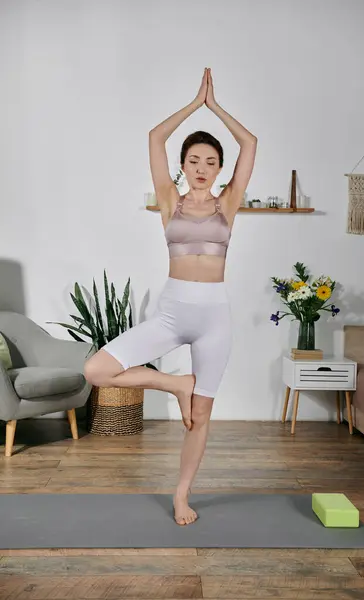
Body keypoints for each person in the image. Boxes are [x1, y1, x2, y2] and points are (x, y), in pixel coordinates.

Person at [84, 67, 257, 525]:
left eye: (211, 163)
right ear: (183, 164)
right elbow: (155, 137)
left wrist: (216, 107)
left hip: (214, 317)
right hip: (172, 311)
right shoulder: (169, 199)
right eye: (195, 160)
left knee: (200, 416)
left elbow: (251, 144)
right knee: (97, 369)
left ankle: (181, 495)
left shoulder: (229, 203)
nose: (202, 169)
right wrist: (194, 104)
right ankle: (175, 383)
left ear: (220, 170)